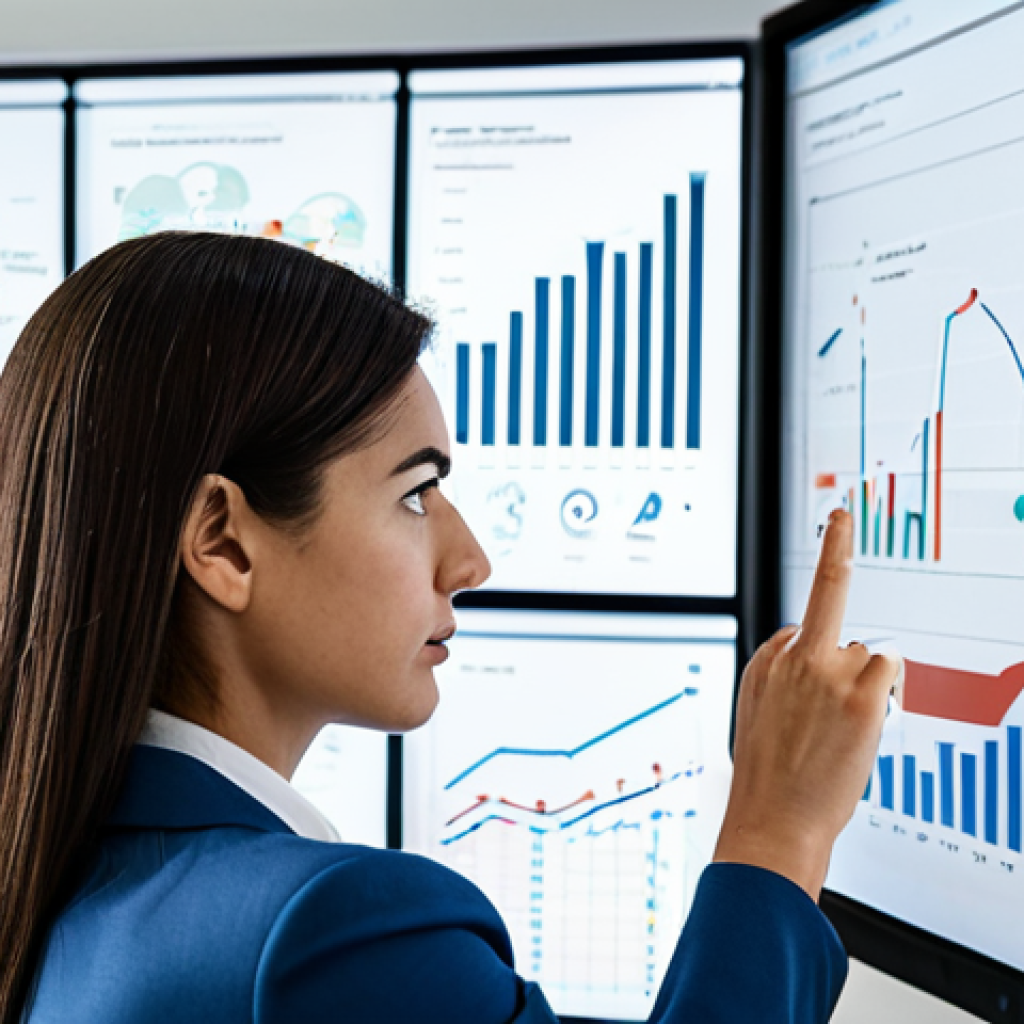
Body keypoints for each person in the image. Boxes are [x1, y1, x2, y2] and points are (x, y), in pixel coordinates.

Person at [0, 232, 898, 1024]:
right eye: (415, 493)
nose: (471, 561)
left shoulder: (67, 871)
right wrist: (781, 830)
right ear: (224, 543)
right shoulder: (332, 937)